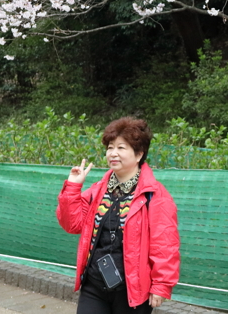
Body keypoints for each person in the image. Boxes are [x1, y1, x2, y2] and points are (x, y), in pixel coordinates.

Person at [57, 117, 180, 314]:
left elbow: (165, 244)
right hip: (94, 283)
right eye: (110, 147)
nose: (113, 153)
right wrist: (73, 187)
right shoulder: (98, 190)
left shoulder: (154, 195)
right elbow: (72, 225)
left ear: (139, 154)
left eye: (121, 148)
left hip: (132, 291)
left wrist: (161, 285)